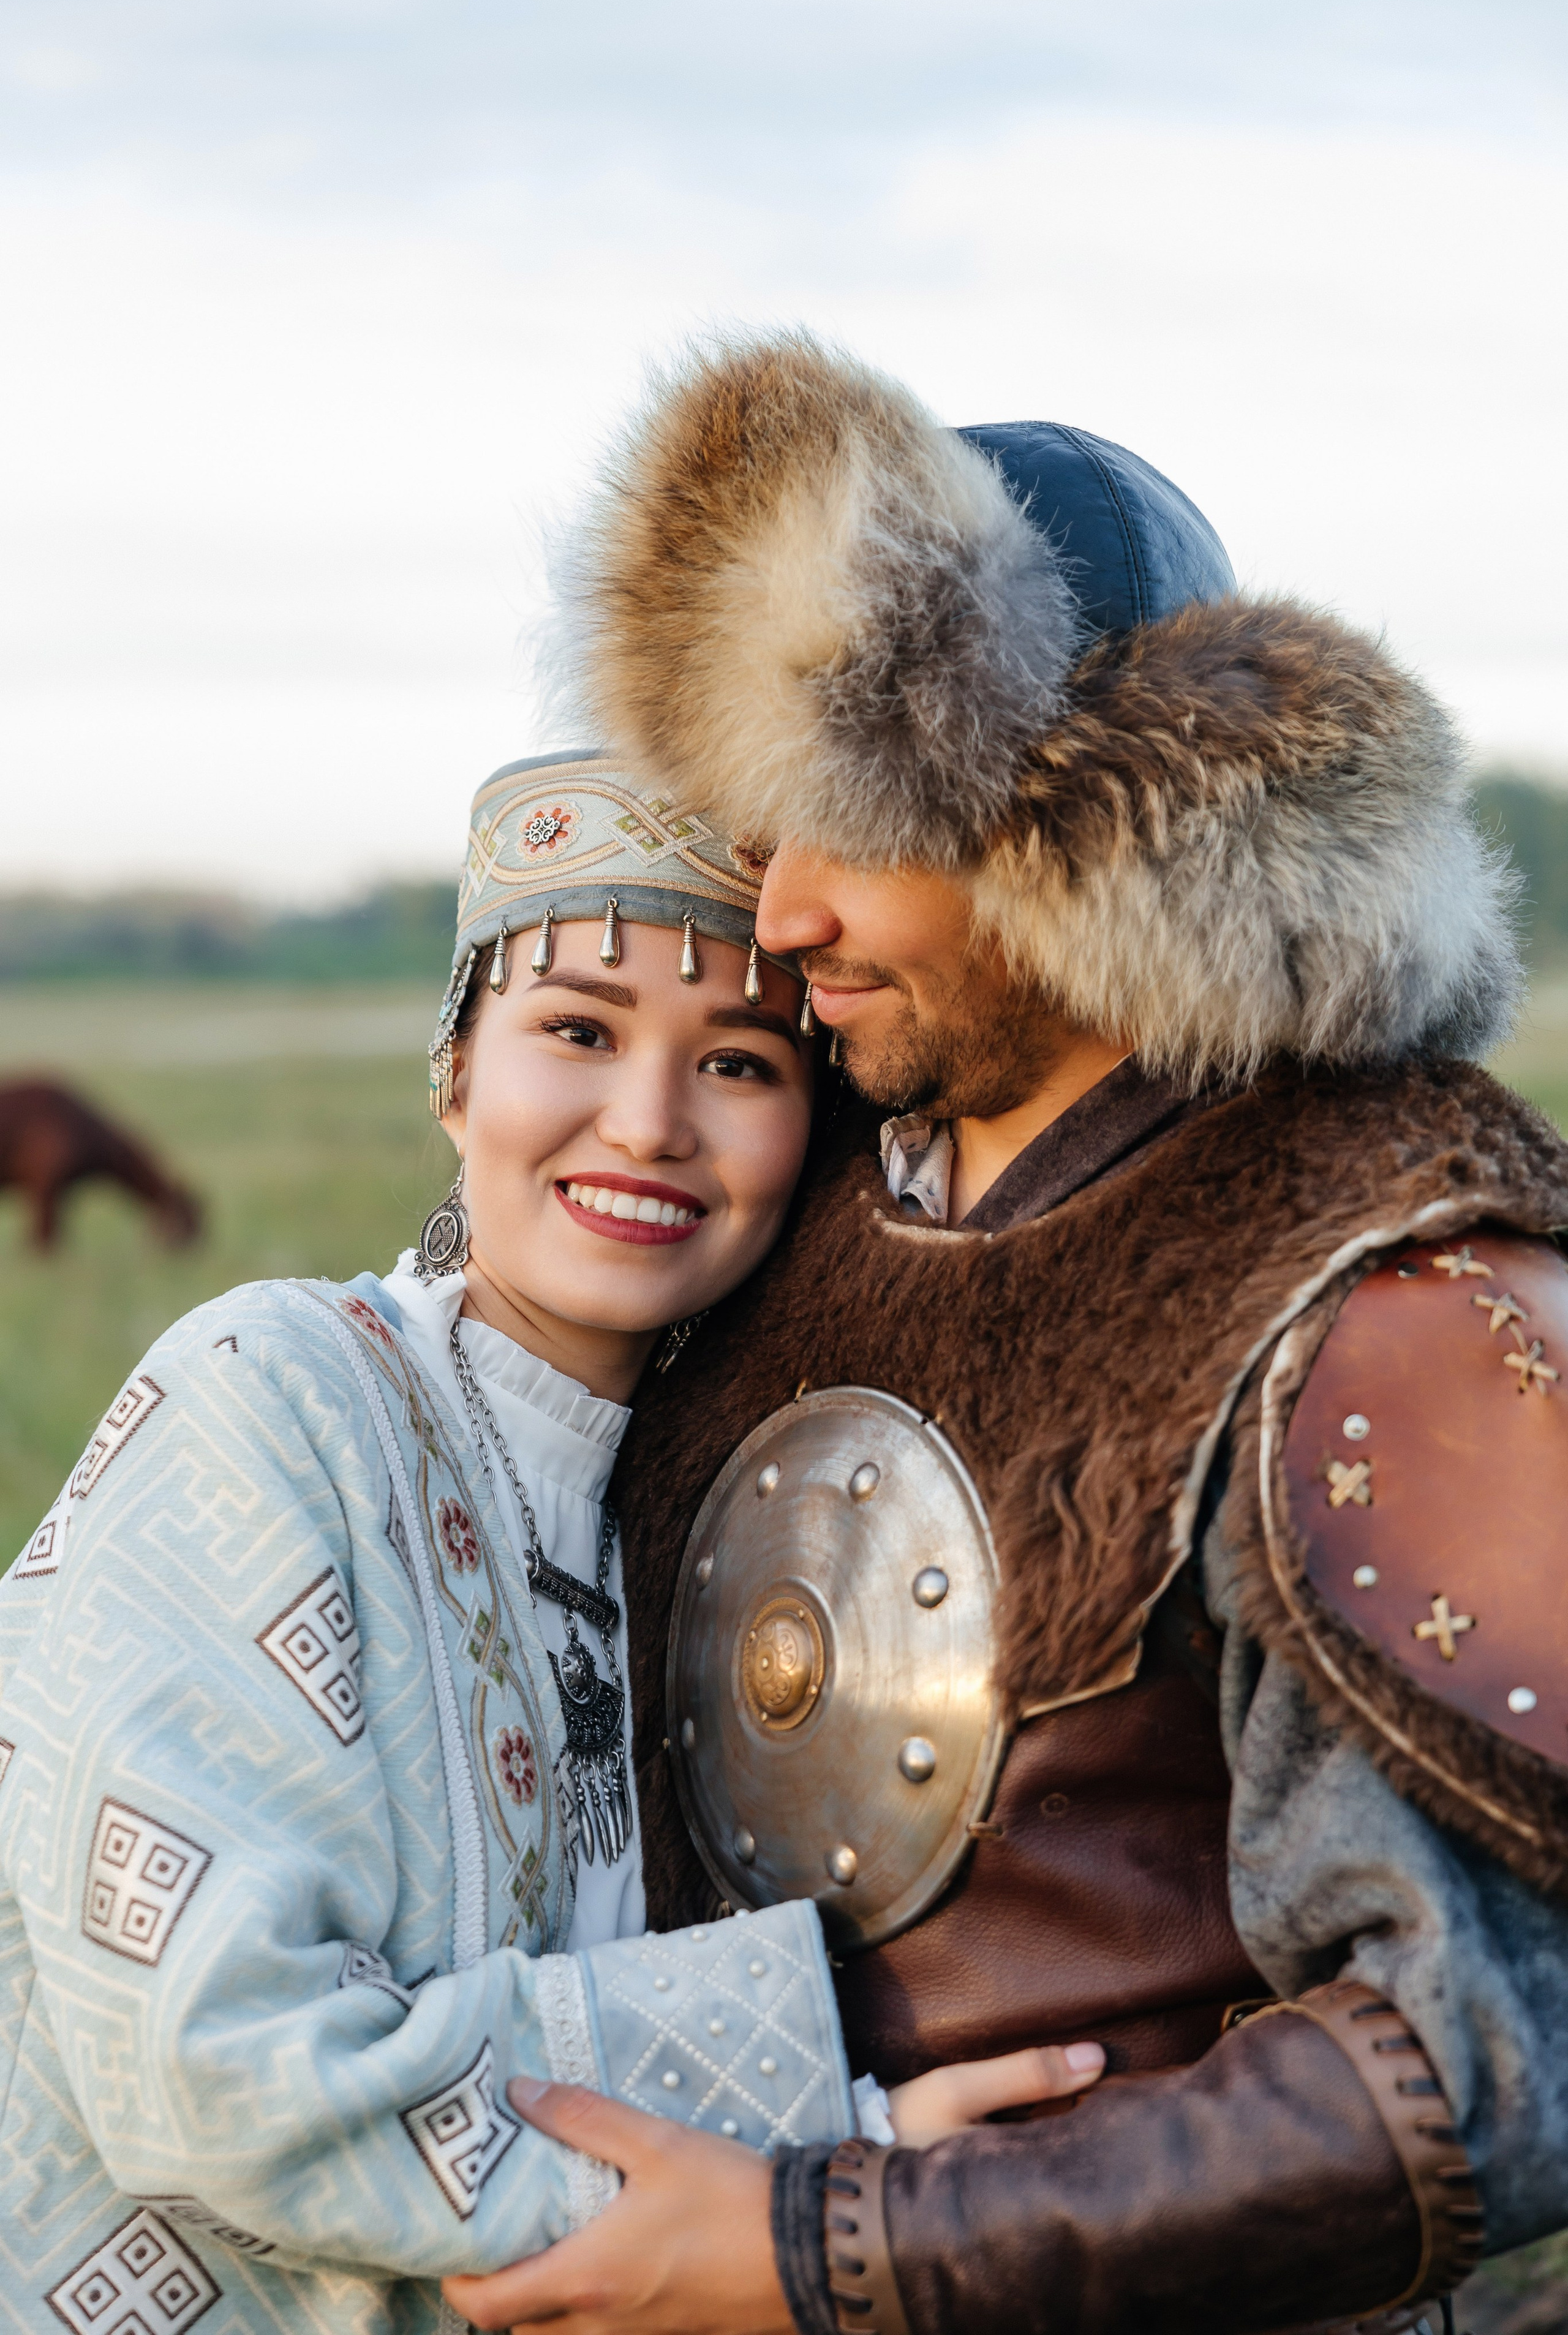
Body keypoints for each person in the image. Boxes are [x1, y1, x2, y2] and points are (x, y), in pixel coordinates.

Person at [444, 339, 1568, 2335]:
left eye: (856, 823)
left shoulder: (1385, 1282)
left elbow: (1486, 2060)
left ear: (1096, 829)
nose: (784, 913)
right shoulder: (786, 1196)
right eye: (764, 825)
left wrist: (830, 2248)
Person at [0, 758, 1099, 2334]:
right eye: (577, 1031)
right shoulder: (266, 1398)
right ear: (456, 1074)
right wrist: (823, 2151)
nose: (646, 1125)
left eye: (738, 1062)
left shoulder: (739, 1529)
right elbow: (218, 2062)